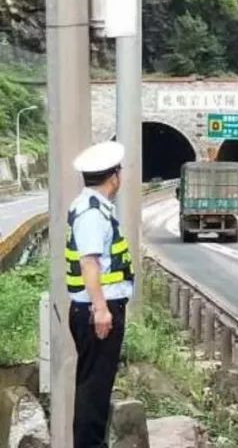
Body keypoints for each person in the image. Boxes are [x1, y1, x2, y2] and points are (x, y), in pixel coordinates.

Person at [66, 140, 134, 448]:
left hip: (95, 309)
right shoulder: (92, 213)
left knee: (95, 386)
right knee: (94, 389)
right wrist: (101, 309)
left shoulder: (92, 207)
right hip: (98, 312)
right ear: (114, 177)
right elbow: (89, 263)